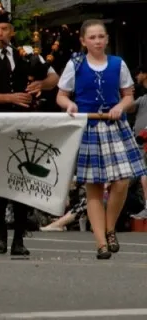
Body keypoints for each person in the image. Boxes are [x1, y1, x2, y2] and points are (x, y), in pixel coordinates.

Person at [0, 5, 59, 256]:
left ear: (12, 31)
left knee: (23, 178)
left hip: (24, 123)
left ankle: (19, 238)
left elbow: (54, 78)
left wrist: (41, 83)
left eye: (4, 28)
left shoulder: (26, 52)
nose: (0, 33)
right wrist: (10, 97)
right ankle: (0, 231)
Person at [56, 19, 146, 259]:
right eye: (92, 37)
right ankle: (100, 243)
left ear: (106, 39)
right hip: (88, 126)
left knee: (122, 181)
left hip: (114, 125)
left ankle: (110, 228)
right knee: (93, 187)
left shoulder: (117, 64)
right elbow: (61, 96)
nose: (97, 41)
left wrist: (120, 106)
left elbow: (128, 95)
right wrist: (70, 105)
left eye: (101, 37)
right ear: (83, 41)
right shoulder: (75, 64)